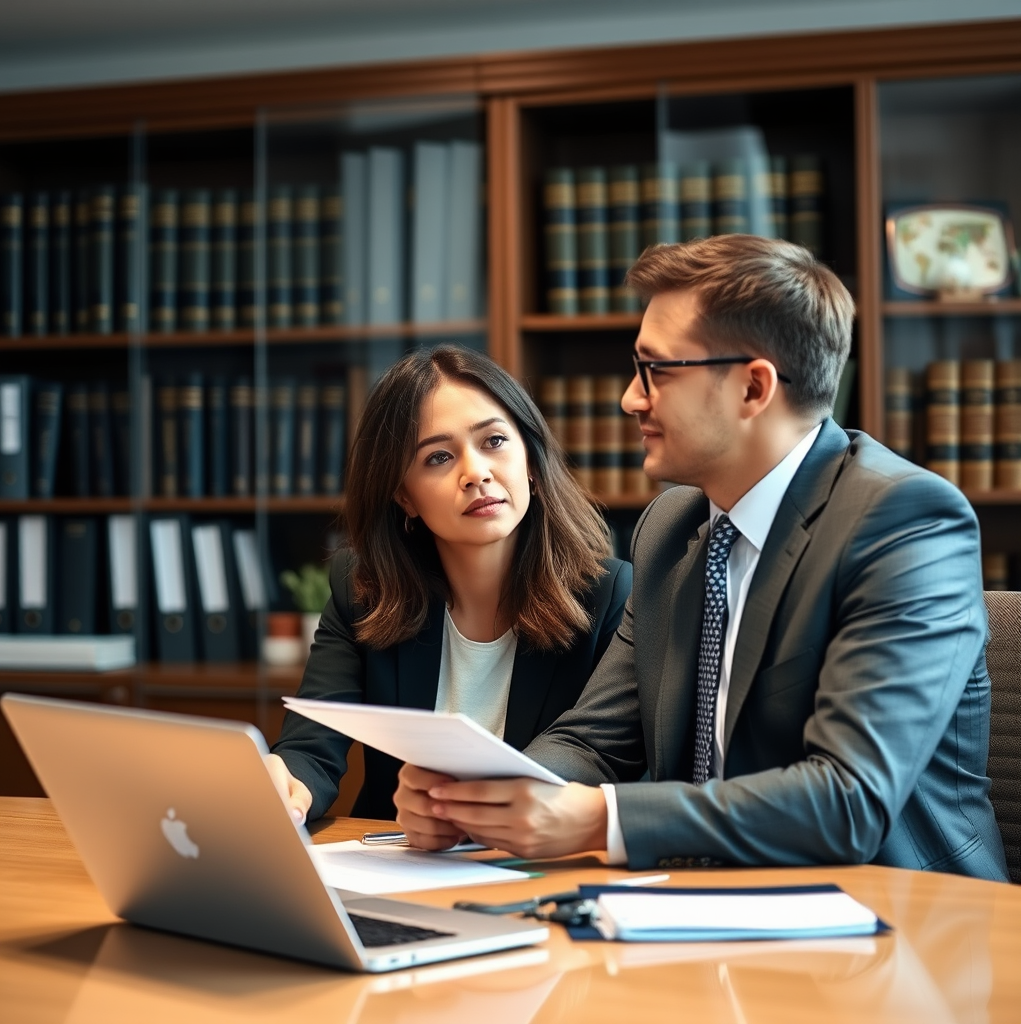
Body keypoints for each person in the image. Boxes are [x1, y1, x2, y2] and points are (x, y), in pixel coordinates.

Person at [393, 235, 1009, 882]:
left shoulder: (904, 522)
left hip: (900, 923)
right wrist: (476, 796)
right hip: (708, 910)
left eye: (656, 371)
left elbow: (847, 802)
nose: (631, 398)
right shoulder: (672, 526)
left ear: (752, 387)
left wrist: (600, 820)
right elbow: (593, 742)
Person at [266, 345, 632, 824]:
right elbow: (310, 749)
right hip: (398, 866)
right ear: (404, 496)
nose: (475, 472)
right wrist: (285, 782)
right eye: (438, 457)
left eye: (494, 441)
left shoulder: (608, 597)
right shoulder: (363, 591)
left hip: (534, 872)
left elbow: (607, 764)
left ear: (532, 465)